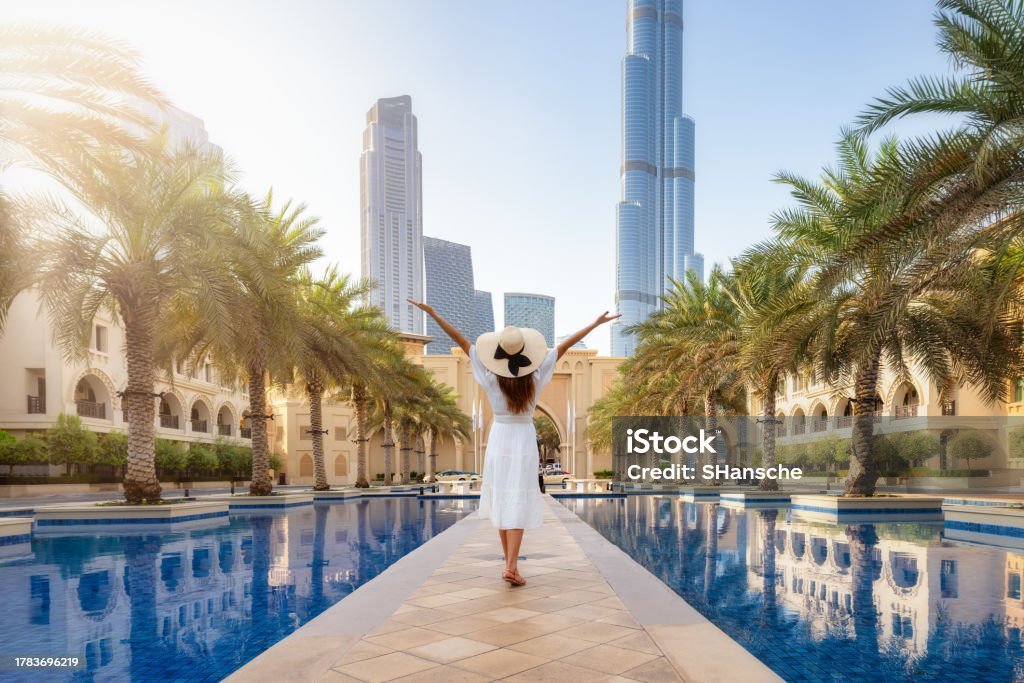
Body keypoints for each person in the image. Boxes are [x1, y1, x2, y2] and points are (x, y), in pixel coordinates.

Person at [409, 298, 618, 587]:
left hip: (499, 438)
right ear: (524, 352)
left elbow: (462, 340)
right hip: (522, 438)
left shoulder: (491, 378)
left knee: (502, 499)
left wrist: (433, 313)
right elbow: (565, 346)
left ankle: (510, 565)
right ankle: (511, 566)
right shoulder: (535, 376)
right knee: (517, 499)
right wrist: (595, 324)